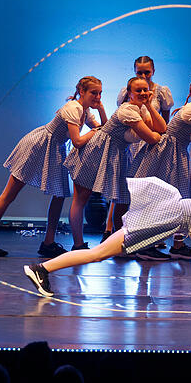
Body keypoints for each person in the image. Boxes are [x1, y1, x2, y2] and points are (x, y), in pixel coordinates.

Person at [24, 177, 191, 301]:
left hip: (152, 224)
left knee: (97, 254)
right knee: (97, 254)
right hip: (147, 226)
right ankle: (41, 268)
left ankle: (42, 269)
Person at [0, 76, 107, 258]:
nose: (98, 97)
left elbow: (104, 129)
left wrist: (101, 109)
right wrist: (93, 131)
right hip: (39, 145)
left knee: (59, 195)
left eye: (100, 93)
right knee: (10, 194)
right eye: (94, 93)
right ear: (82, 92)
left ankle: (48, 242)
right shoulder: (74, 108)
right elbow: (77, 141)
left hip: (56, 149)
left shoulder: (85, 110)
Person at [129, 76, 191, 259]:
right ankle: (146, 245)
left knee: (180, 198)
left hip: (177, 153)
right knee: (160, 198)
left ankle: (177, 244)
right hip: (165, 152)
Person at [63, 77, 166, 253]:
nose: (142, 93)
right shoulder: (127, 110)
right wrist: (155, 135)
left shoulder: (141, 109)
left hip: (116, 154)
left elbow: (162, 128)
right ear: (129, 93)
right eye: (138, 90)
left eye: (145, 90)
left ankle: (119, 244)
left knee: (122, 198)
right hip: (96, 152)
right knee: (81, 198)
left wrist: (149, 105)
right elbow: (152, 137)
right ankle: (78, 244)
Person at [105, 55, 175, 243]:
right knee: (123, 189)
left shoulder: (159, 92)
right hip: (133, 140)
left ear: (153, 71)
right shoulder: (129, 101)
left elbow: (164, 122)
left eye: (147, 72)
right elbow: (127, 123)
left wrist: (158, 135)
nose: (144, 76)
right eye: (139, 72)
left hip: (149, 138)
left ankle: (145, 236)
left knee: (147, 191)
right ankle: (112, 230)